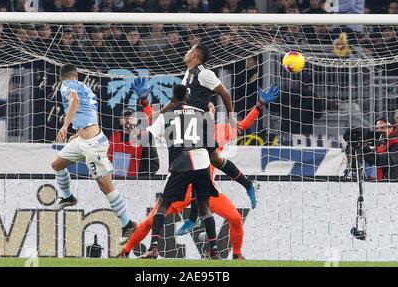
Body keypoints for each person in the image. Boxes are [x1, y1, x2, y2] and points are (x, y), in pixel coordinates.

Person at [116, 78, 279, 260]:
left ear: (214, 111)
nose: (207, 109)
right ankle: (125, 252)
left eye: (210, 108)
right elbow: (157, 120)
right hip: (184, 187)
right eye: (205, 107)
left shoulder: (220, 129)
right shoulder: (189, 120)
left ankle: (237, 255)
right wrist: (145, 102)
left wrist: (258, 105)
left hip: (205, 187)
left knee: (234, 218)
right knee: (149, 221)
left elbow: (243, 125)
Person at [161, 43, 259, 209]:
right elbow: (176, 101)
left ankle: (197, 214)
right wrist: (159, 114)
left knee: (199, 163)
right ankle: (247, 184)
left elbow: (225, 93)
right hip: (188, 123)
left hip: (199, 122)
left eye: (189, 50)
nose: (186, 52)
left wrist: (231, 117)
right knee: (211, 161)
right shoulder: (188, 73)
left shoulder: (204, 73)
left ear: (195, 56)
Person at [50, 64, 137, 244]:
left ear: (62, 78)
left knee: (105, 186)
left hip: (92, 145)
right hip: (83, 139)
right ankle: (67, 196)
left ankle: (127, 224)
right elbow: (89, 114)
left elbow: (74, 102)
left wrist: (65, 126)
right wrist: (78, 133)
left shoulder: (67, 86)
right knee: (57, 165)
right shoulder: (86, 87)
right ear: (77, 75)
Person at [137, 85, 222, 259]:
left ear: (172, 98)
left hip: (181, 163)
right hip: (202, 162)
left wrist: (140, 134)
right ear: (187, 97)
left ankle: (153, 247)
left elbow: (147, 137)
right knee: (204, 207)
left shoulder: (167, 115)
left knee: (163, 204)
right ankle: (214, 251)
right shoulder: (200, 113)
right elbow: (211, 145)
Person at [107, 107, 159, 177]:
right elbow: (107, 160)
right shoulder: (113, 136)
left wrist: (136, 177)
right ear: (120, 120)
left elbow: (153, 166)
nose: (128, 119)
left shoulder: (146, 136)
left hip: (134, 182)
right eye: (125, 117)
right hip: (114, 180)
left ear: (137, 120)